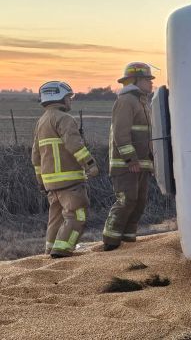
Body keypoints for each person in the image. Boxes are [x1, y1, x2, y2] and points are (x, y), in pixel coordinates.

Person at [31, 81, 99, 258]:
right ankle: (63, 250)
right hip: (70, 181)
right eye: (69, 97)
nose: (70, 100)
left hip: (50, 184)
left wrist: (40, 181)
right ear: (59, 98)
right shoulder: (65, 119)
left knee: (56, 218)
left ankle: (50, 250)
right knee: (77, 215)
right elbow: (74, 144)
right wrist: (90, 164)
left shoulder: (41, 122)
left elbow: (35, 156)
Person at [102, 62, 154, 251]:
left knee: (139, 203)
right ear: (136, 80)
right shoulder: (126, 101)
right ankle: (110, 242)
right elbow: (121, 133)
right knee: (127, 200)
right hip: (126, 165)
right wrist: (130, 159)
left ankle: (128, 242)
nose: (151, 83)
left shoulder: (142, 102)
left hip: (141, 165)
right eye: (147, 79)